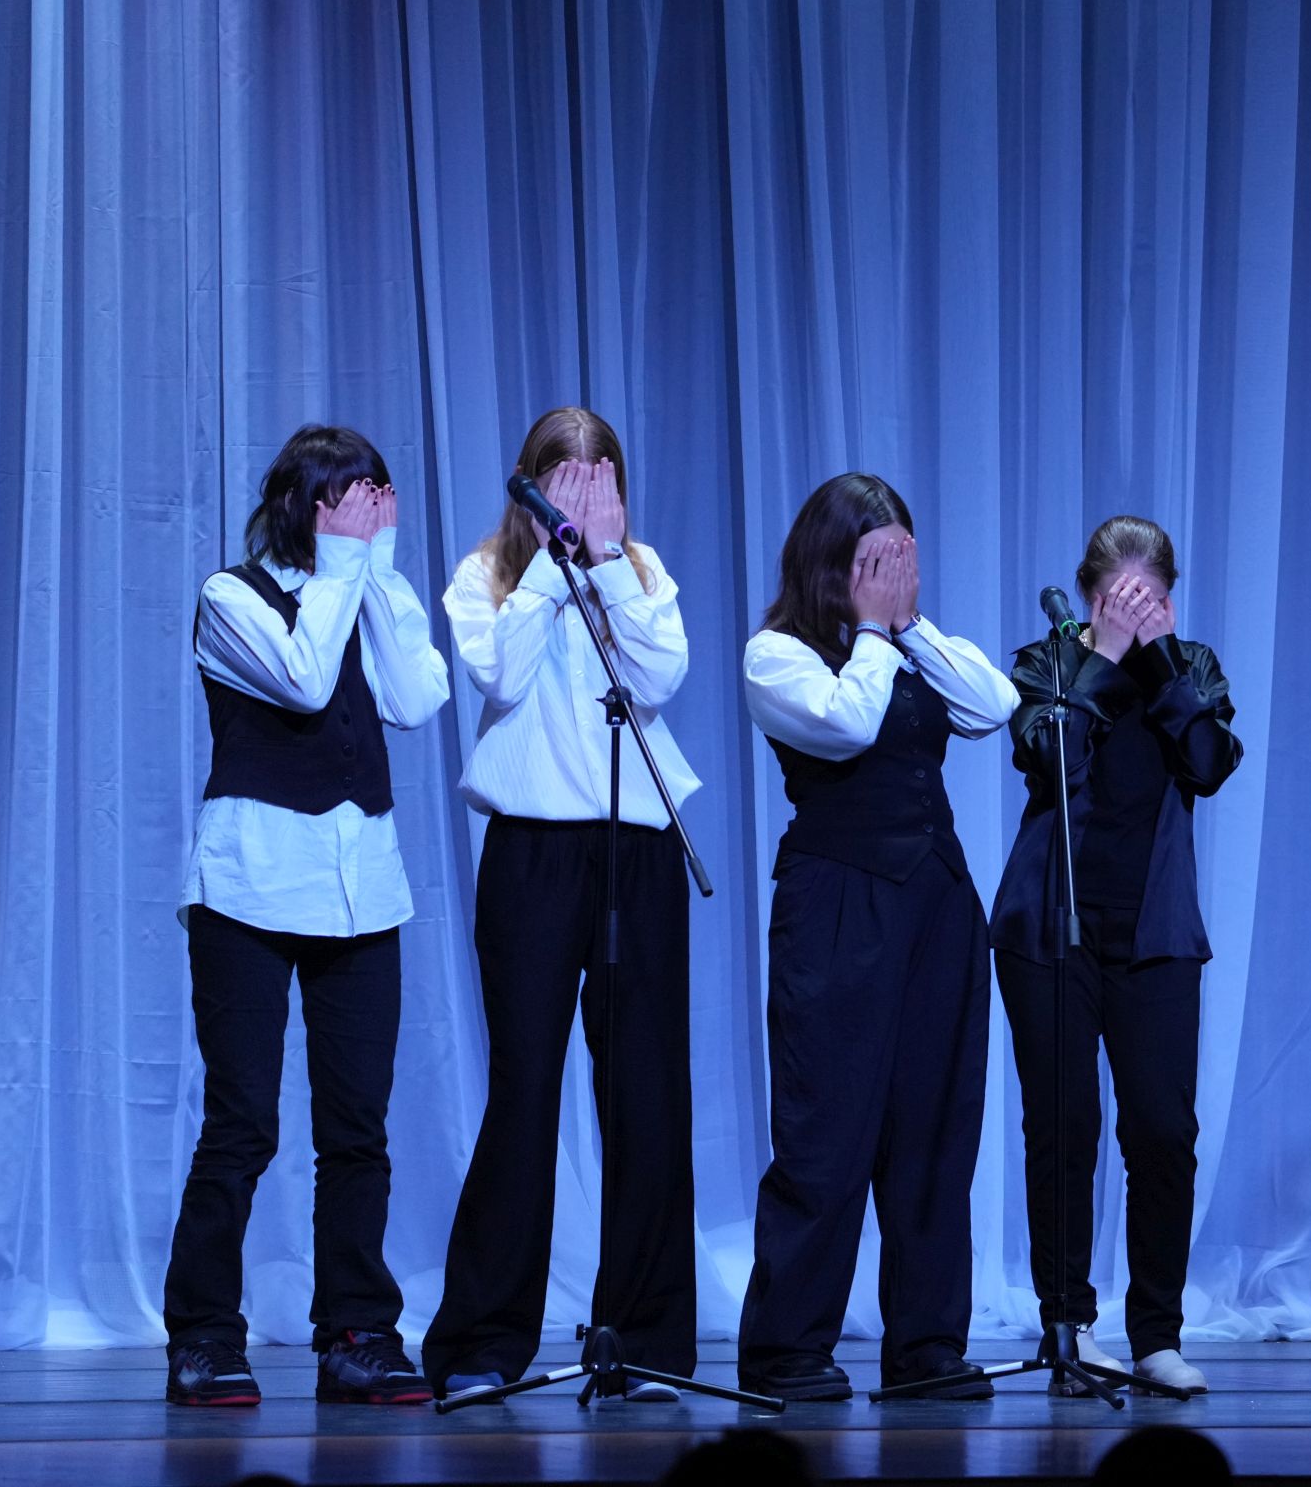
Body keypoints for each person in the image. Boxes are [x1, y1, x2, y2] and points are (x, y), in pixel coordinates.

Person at [164, 425, 450, 1407]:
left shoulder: (360, 592)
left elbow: (415, 697)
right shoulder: (230, 597)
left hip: (362, 890)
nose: (368, 513)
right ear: (301, 505)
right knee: (241, 1123)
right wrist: (340, 569)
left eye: (378, 496)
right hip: (249, 888)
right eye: (349, 498)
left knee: (357, 1131)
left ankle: (358, 1333)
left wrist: (382, 573)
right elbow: (303, 676)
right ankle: (204, 1334)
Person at [423, 408, 700, 1399]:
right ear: (532, 487)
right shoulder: (485, 575)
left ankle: (647, 1342)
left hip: (639, 847)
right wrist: (549, 564)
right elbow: (499, 676)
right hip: (533, 852)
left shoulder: (644, 569)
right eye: (566, 479)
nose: (586, 495)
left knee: (647, 1093)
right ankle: (482, 1344)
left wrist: (611, 561)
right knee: (526, 1091)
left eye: (602, 478)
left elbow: (662, 679)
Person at [737, 474, 1019, 1402]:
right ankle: (787, 1348)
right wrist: (869, 630)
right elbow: (847, 726)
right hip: (837, 904)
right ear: (831, 563)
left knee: (935, 1129)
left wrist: (908, 626)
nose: (897, 572)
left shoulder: (904, 647)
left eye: (905, 555)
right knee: (827, 1127)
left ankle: (927, 1345)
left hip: (937, 903)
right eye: (876, 559)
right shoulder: (776, 656)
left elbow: (993, 706)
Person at [994, 517, 1241, 1395]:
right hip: (1051, 931)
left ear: (1171, 598)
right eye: (1117, 599)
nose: (1134, 613)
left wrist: (1163, 662)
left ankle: (1157, 1336)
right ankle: (1067, 1327)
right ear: (1089, 595)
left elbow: (1209, 763)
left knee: (1163, 1134)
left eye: (1150, 598)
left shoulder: (1192, 666)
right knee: (1064, 1129)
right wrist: (1099, 655)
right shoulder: (1048, 662)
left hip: (1155, 935)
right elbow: (1046, 756)